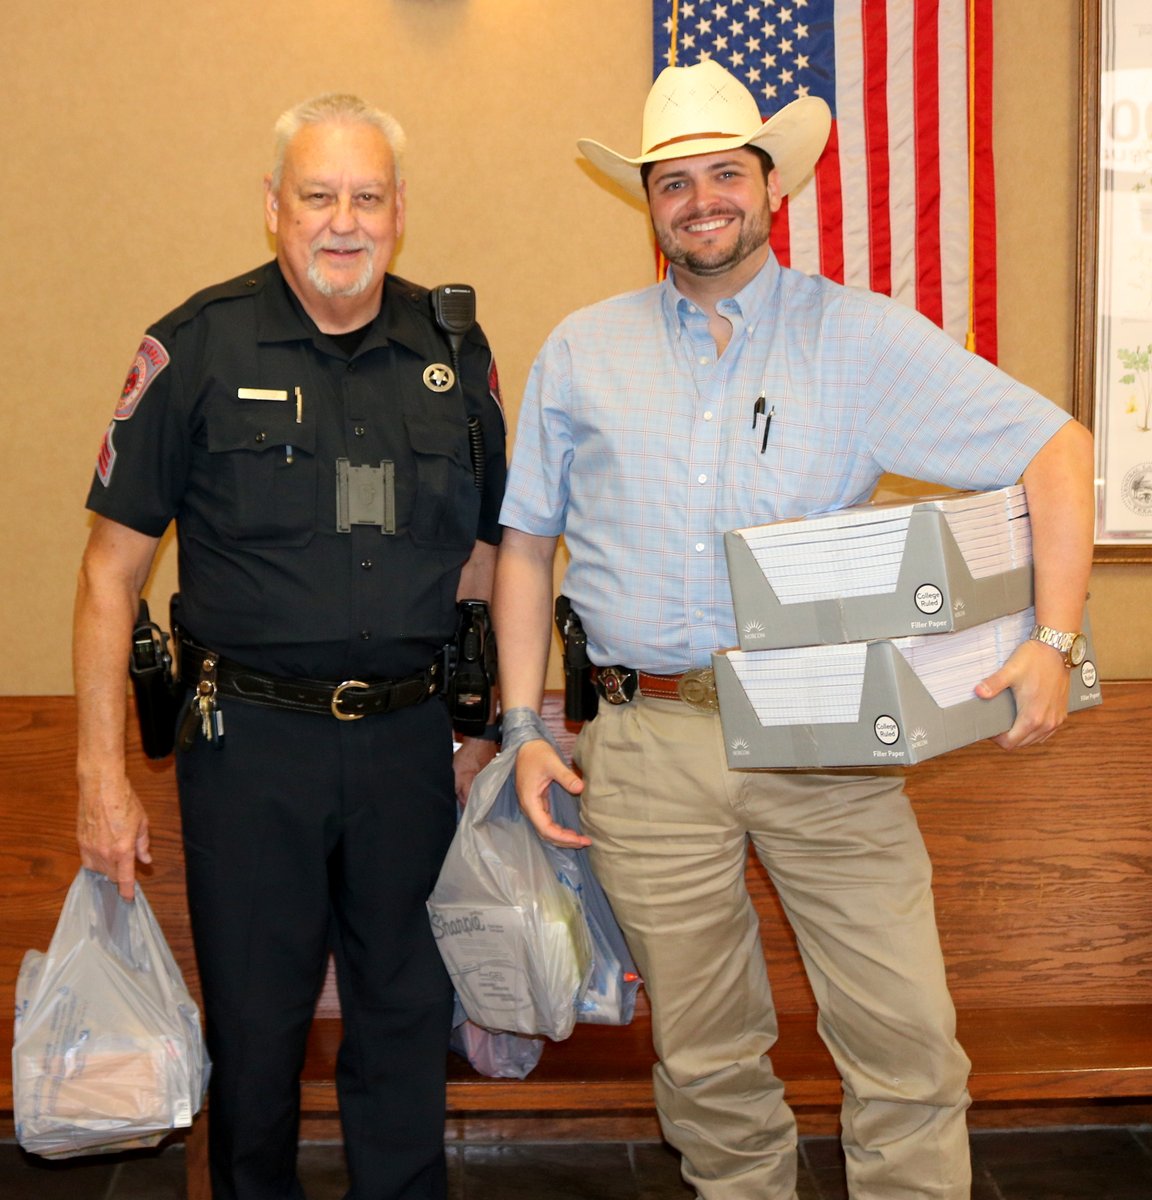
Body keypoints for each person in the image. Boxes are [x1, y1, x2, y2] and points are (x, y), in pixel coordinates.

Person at [493, 60, 1093, 1200]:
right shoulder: (581, 349)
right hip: (646, 739)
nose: (701, 199)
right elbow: (528, 543)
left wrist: (1052, 642)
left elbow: (1053, 448)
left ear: (772, 189)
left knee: (904, 1038)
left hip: (827, 729)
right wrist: (524, 722)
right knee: (705, 1053)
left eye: (727, 173)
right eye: (676, 181)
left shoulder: (861, 339)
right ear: (649, 201)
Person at [74, 93, 506, 1200]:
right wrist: (101, 776)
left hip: (408, 744)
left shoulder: (453, 353)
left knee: (407, 1028)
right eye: (319, 195)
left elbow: (487, 556)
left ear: (399, 212)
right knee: (258, 1040)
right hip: (250, 748)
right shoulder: (197, 344)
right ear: (275, 207)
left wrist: (475, 726)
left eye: (367, 196)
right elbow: (110, 573)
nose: (344, 221)